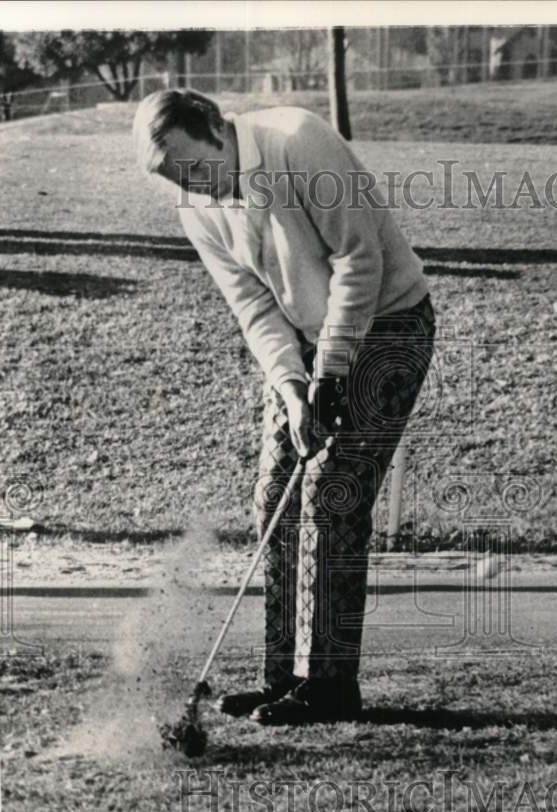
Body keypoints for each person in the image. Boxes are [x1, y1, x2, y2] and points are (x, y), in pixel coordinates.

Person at [133, 89, 435, 725]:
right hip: (303, 343)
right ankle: (283, 679)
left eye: (191, 168)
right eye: (173, 181)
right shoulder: (200, 207)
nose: (190, 189)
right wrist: (296, 388)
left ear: (217, 128)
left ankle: (327, 687)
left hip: (387, 324)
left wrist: (333, 367)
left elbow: (361, 259)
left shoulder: (298, 140)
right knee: (276, 493)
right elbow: (253, 307)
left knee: (331, 493)